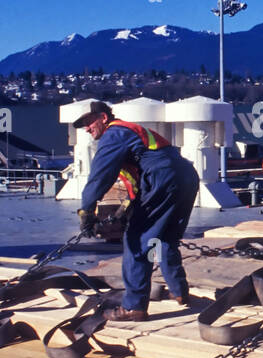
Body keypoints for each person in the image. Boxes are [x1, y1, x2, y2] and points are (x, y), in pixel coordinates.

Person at [74, 101, 200, 321]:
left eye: (88, 122)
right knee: (165, 238)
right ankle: (179, 292)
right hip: (185, 175)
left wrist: (86, 211)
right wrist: (127, 208)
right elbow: (140, 178)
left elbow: (100, 176)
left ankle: (134, 307)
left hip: (163, 176)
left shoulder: (114, 133)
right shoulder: (132, 133)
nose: (86, 128)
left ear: (103, 118)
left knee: (137, 240)